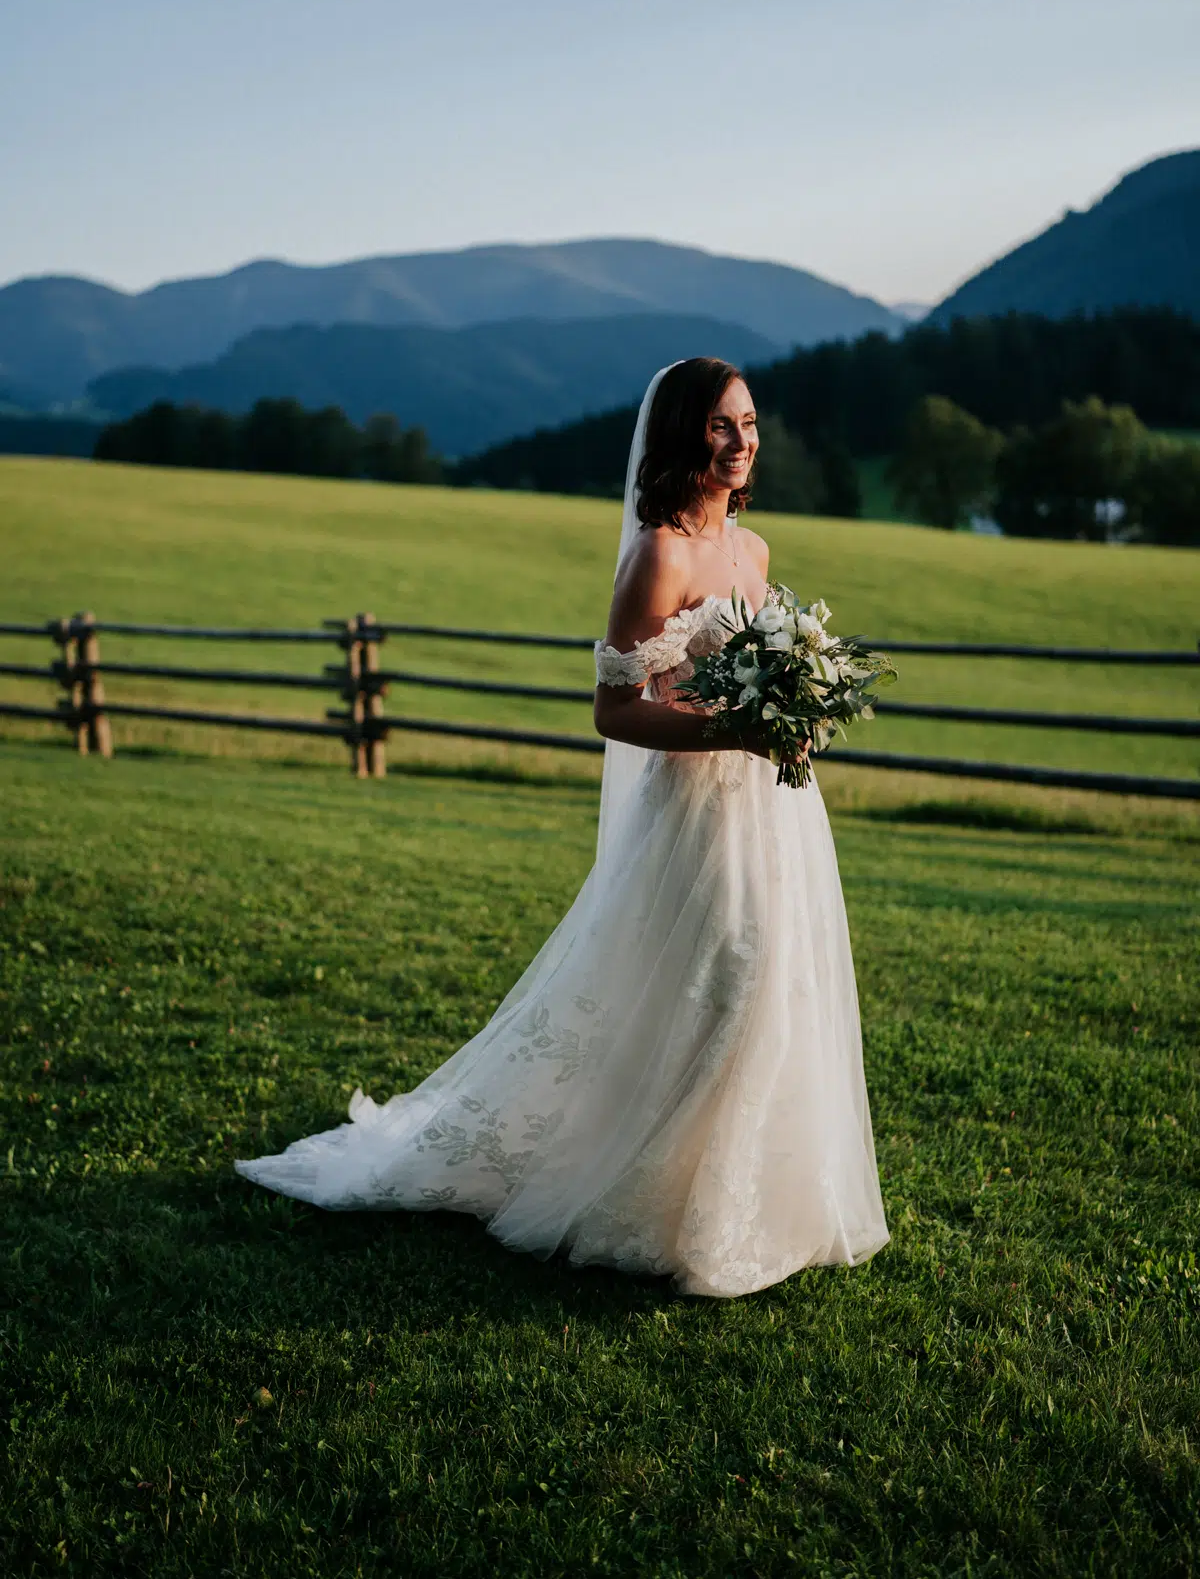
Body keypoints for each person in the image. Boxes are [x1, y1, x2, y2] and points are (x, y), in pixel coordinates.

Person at [235, 358, 890, 1297]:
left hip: (775, 815)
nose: (742, 441)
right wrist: (733, 726)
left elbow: (761, 673)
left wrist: (794, 711)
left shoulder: (755, 552)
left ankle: (742, 1199)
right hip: (696, 814)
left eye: (748, 422)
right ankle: (649, 1194)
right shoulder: (658, 554)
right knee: (722, 986)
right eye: (719, 426)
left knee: (773, 986)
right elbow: (615, 713)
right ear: (681, 438)